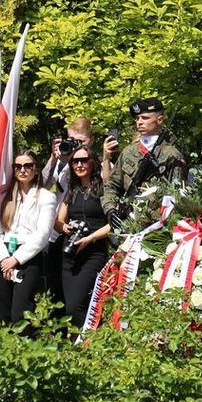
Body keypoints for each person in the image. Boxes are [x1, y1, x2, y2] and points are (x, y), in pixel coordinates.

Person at [41, 117, 117, 306]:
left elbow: (109, 187)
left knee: (81, 300)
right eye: (71, 140)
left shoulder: (99, 166)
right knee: (58, 298)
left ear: (90, 140)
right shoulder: (63, 165)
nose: (75, 148)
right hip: (60, 237)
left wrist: (106, 158)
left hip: (93, 240)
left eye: (80, 142)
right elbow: (40, 186)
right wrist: (54, 158)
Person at [0, 148, 57, 325]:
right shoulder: (4, 197)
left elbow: (42, 234)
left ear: (36, 169)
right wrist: (4, 259)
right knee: (5, 312)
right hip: (3, 256)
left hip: (28, 258)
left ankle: (27, 348)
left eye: (28, 165)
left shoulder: (46, 197)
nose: (23, 170)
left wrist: (16, 259)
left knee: (21, 313)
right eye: (18, 166)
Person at [55, 147, 113, 329]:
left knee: (78, 305)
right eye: (75, 161)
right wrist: (64, 227)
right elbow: (58, 221)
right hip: (70, 253)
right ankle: (77, 346)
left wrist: (91, 238)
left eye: (84, 160)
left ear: (92, 162)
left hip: (93, 252)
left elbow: (114, 224)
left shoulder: (103, 189)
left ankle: (88, 344)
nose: (79, 165)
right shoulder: (72, 190)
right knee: (70, 308)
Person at [102, 97, 187, 216]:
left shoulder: (171, 154)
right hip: (128, 220)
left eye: (145, 118)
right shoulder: (128, 152)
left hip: (159, 222)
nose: (139, 122)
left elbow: (178, 193)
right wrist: (110, 210)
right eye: (137, 118)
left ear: (160, 119)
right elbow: (111, 185)